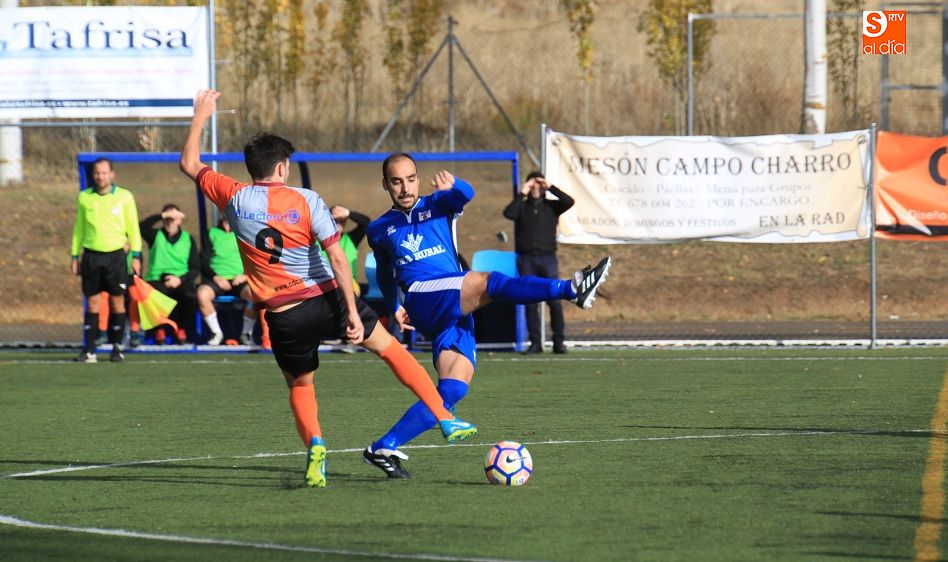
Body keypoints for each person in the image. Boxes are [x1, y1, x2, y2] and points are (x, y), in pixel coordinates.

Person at [179, 89, 476, 489]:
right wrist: (353, 313)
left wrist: (201, 116)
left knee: (301, 385)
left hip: (284, 314)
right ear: (283, 168)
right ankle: (444, 418)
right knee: (391, 350)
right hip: (326, 298)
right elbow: (337, 258)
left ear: (252, 168)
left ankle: (316, 444)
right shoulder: (305, 200)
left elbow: (189, 163)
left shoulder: (232, 196)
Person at [363, 152, 611, 478]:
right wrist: (394, 305)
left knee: (452, 390)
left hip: (452, 304)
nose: (405, 187)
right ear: (386, 184)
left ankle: (384, 446)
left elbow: (466, 194)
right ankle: (571, 289)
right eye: (396, 181)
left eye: (410, 179)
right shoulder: (379, 228)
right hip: (423, 295)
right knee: (488, 281)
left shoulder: (438, 204)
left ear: (418, 179)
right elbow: (384, 272)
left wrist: (456, 184)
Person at [70, 158, 142, 363]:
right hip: (91, 257)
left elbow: (133, 228)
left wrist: (136, 255)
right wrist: (74, 255)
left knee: (116, 300)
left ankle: (117, 348)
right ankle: (90, 350)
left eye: (103, 172)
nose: (100, 176)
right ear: (93, 175)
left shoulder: (125, 197)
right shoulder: (84, 197)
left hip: (116, 257)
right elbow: (79, 228)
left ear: (112, 174)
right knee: (92, 302)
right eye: (96, 173)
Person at [503, 171, 575, 354]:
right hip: (526, 259)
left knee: (555, 300)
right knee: (530, 301)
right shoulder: (522, 207)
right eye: (532, 184)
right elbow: (509, 213)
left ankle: (559, 342)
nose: (535, 187)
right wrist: (523, 192)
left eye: (538, 184)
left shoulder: (551, 206)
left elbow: (569, 201)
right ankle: (535, 343)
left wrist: (550, 187)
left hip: (547, 258)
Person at [140, 204, 199, 344]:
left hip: (180, 279)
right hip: (156, 279)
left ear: (179, 220)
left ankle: (180, 328)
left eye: (173, 218)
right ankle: (159, 328)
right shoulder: (155, 236)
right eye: (167, 218)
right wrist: (163, 215)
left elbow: (195, 268)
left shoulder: (188, 239)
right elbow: (141, 227)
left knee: (190, 295)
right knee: (156, 293)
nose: (170, 221)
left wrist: (180, 279)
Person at [197, 216, 258, 345]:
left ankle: (246, 334)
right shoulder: (211, 233)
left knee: (255, 295)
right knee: (202, 295)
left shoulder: (245, 232)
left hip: (240, 280)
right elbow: (203, 261)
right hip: (217, 280)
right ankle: (216, 333)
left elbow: (255, 258)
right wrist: (216, 277)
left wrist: (245, 275)